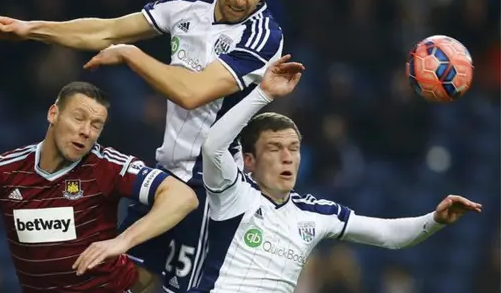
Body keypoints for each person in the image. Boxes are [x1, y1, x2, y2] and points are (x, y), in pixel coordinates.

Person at [0, 0, 287, 291]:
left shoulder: (263, 36)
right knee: (121, 279)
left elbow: (192, 93)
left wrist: (129, 54)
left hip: (211, 187)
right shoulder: (185, 5)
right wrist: (32, 30)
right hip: (168, 174)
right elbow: (106, 29)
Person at [0, 81, 198, 293]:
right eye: (79, 118)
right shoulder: (1, 171)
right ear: (53, 113)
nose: (86, 131)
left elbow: (182, 197)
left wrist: (120, 242)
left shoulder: (107, 166)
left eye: (96, 125)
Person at [191, 54, 483, 293]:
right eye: (275, 148)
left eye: (294, 148)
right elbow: (213, 146)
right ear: (249, 161)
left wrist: (434, 220)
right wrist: (264, 93)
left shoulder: (316, 213)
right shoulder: (233, 193)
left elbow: (388, 235)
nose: (287, 157)